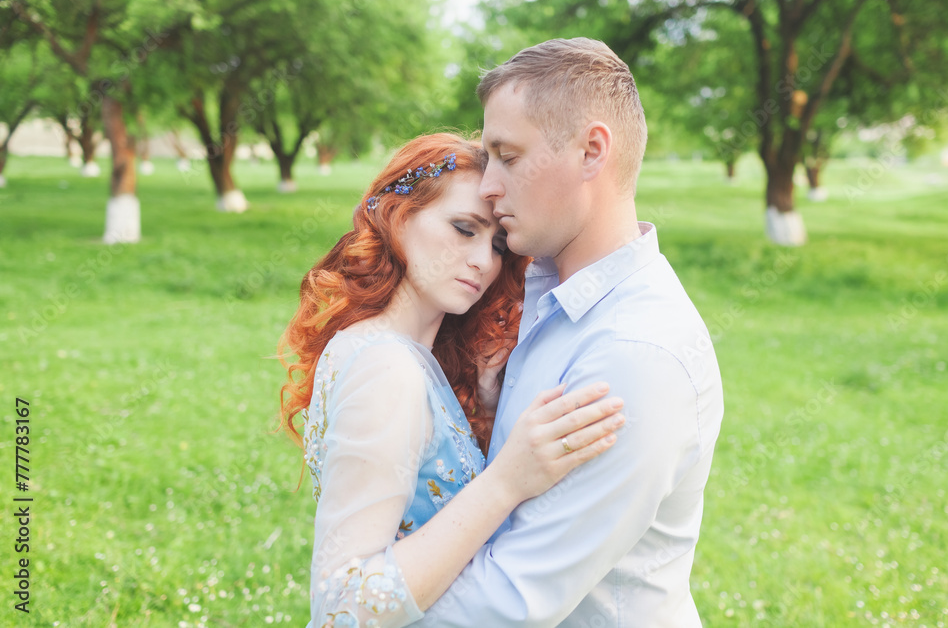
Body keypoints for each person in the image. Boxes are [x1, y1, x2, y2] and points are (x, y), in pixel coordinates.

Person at [410, 38, 725, 627]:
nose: (487, 186)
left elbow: (510, 603)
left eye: (507, 155)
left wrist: (360, 605)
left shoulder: (634, 355)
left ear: (591, 151)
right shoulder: (537, 290)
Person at [277, 133, 627, 628]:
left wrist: (485, 404)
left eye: (498, 243)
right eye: (464, 229)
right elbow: (344, 606)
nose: (484, 261)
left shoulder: (389, 349)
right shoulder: (386, 368)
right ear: (397, 216)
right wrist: (506, 482)